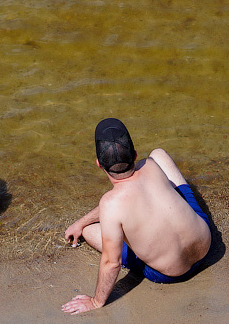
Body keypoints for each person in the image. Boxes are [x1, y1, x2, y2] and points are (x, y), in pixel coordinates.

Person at [61, 118, 212, 314]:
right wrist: (80, 221)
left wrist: (96, 301)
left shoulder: (110, 203)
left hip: (172, 273)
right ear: (134, 154)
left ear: (99, 164)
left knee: (88, 231)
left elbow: (111, 262)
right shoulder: (150, 165)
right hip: (205, 245)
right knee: (159, 153)